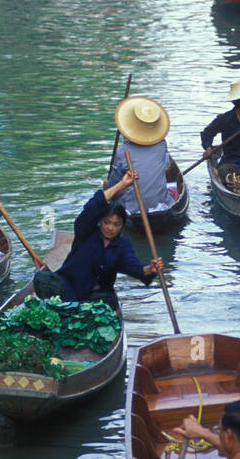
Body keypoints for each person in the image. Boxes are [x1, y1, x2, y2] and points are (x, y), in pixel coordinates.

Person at [48, 173, 163, 307]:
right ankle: (72, 306)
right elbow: (92, 207)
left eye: (116, 224)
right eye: (106, 222)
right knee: (43, 279)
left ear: (122, 226)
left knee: (109, 302)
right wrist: (122, 184)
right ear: (100, 221)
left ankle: (75, 307)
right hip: (70, 285)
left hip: (96, 295)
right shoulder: (86, 231)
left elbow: (136, 268)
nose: (110, 228)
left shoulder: (122, 246)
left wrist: (151, 268)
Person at [107, 97, 171, 217]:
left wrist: (108, 188)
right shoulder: (162, 144)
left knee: (114, 193)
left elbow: (113, 184)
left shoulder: (122, 152)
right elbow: (166, 166)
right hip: (161, 204)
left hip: (132, 209)